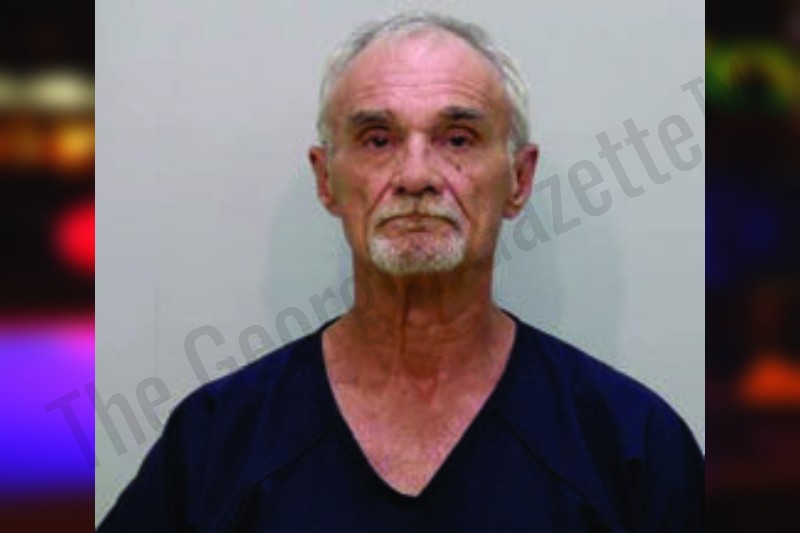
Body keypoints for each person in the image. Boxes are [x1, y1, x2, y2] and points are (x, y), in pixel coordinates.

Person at [99, 11, 703, 532]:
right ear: (325, 179)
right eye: (377, 140)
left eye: (458, 139)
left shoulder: (633, 448)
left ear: (519, 180)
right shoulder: (215, 445)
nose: (416, 176)